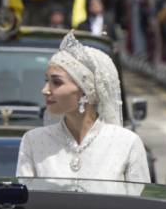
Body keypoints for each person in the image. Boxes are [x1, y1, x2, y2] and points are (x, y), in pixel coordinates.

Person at [17, 30, 149, 182]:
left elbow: (139, 204)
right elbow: (26, 202)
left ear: (85, 91)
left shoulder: (127, 144)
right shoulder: (33, 141)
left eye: (57, 82)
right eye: (46, 80)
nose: (45, 90)